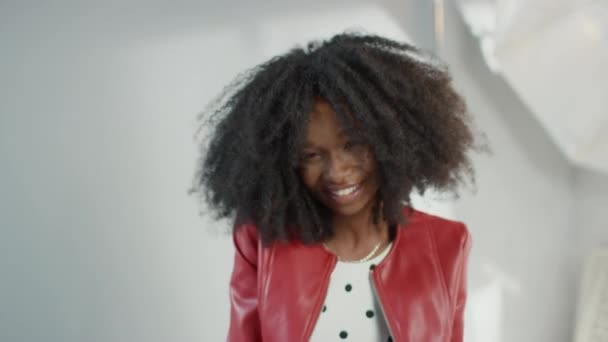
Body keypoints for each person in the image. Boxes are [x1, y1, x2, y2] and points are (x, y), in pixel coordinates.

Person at [192, 32, 479, 341]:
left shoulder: (446, 244)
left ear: (392, 140)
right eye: (312, 155)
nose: (337, 171)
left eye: (352, 145)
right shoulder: (260, 242)